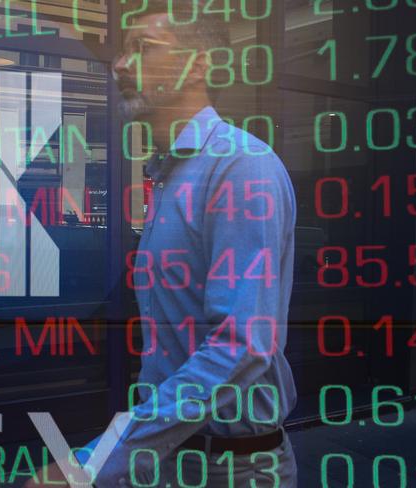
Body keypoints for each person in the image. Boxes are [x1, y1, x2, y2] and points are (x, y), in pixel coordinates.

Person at [29, 1, 298, 486]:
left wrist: (94, 462)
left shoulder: (238, 167)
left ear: (196, 66)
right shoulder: (169, 171)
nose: (120, 65)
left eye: (143, 49)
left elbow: (240, 346)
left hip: (232, 468)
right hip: (174, 459)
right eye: (122, 50)